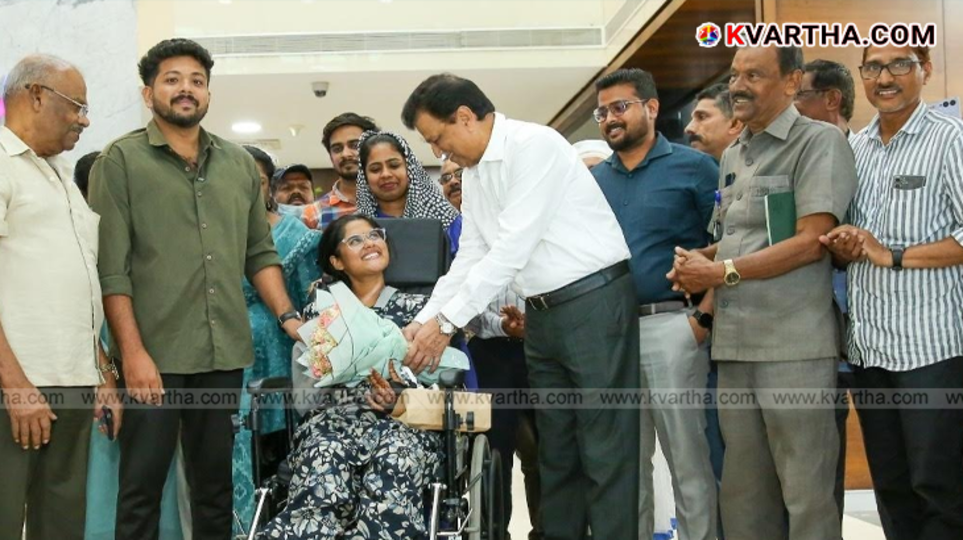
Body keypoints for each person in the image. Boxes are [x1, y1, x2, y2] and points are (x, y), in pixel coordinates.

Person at [401, 73, 640, 540]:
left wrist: (447, 324)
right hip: (542, 316)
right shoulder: (474, 173)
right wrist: (424, 320)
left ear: (465, 117)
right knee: (558, 452)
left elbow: (510, 250)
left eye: (438, 139)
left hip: (593, 302)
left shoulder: (536, 146)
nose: (439, 153)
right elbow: (470, 255)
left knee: (605, 448)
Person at [88, 38, 301, 540]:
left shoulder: (236, 166)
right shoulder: (119, 162)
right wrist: (132, 354)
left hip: (222, 352)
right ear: (148, 93)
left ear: (207, 93)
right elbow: (110, 270)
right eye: (172, 80)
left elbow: (259, 255)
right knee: (141, 486)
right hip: (153, 356)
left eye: (197, 81)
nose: (186, 90)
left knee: (215, 487)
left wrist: (292, 319)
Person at [669, 46, 856, 540]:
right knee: (744, 496)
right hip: (734, 348)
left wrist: (721, 271)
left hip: (794, 348)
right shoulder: (734, 152)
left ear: (792, 83)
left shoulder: (818, 143)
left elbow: (810, 242)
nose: (738, 85)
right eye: (734, 75)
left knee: (806, 494)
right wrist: (700, 261)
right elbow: (744, 238)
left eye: (754, 75)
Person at [821, 44, 963, 540]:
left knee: (939, 488)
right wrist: (844, 244)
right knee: (893, 488)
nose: (885, 77)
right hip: (870, 349)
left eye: (900, 64)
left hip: (933, 349)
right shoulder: (854, 148)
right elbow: (856, 241)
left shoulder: (951, 140)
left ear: (924, 70)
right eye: (873, 67)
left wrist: (893, 254)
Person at [259, 214, 462, 539]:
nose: (369, 243)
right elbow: (309, 385)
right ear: (336, 260)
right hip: (333, 419)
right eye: (355, 240)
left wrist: (399, 397)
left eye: (374, 235)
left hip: (404, 421)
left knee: (395, 456)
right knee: (324, 457)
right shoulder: (321, 311)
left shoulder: (421, 310)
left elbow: (442, 378)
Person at [592, 67, 719, 540]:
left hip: (674, 328)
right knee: (626, 467)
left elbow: (729, 245)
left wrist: (704, 317)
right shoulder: (594, 181)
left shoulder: (693, 167)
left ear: (650, 107)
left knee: (688, 460)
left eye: (620, 106)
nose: (610, 118)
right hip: (611, 339)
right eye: (602, 112)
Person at [0, 54, 121, 540]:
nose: (85, 119)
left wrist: (102, 373)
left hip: (70, 384)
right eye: (77, 106)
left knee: (62, 525)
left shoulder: (59, 176)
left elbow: (71, 287)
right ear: (35, 96)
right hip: (16, 386)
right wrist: (15, 386)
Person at [232, 145, 322, 535]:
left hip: (278, 351)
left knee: (276, 449)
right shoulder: (208, 230)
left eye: (259, 180)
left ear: (271, 185)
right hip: (220, 349)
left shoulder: (295, 234)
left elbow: (309, 301)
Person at [793, 57, 857, 524]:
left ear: (830, 100)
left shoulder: (871, 158)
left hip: (884, 339)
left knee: (912, 467)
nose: (791, 108)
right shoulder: (797, 159)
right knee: (821, 464)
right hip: (820, 339)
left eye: (800, 96)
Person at [355, 130, 463, 254]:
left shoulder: (448, 219)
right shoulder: (356, 228)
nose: (386, 174)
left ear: (409, 169)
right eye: (375, 169)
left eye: (394, 165)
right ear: (365, 177)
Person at [301, 112, 380, 230]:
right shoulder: (313, 215)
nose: (345, 154)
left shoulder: (393, 201)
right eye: (337, 149)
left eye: (354, 145)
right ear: (331, 157)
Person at [685, 83, 743, 162]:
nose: (688, 128)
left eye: (701, 117)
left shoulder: (762, 169)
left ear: (734, 125)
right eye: (692, 119)